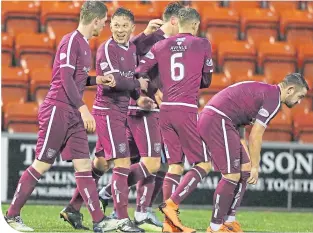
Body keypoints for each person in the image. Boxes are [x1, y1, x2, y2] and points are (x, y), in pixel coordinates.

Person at [5, 2, 121, 233]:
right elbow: (65, 78)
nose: (106, 25)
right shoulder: (71, 40)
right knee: (42, 164)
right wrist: (83, 108)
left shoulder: (85, 45)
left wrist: (95, 80)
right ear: (96, 20)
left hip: (72, 112)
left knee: (84, 167)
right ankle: (11, 216)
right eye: (105, 21)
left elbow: (76, 78)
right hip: (58, 109)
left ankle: (99, 220)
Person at [61, 7, 155, 233]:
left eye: (125, 26)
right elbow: (115, 81)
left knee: (101, 164)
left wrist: (139, 98)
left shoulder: (131, 48)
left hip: (120, 112)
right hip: (107, 111)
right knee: (122, 163)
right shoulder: (106, 49)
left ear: (131, 28)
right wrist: (137, 86)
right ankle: (122, 220)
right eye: (116, 25)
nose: (120, 30)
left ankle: (73, 207)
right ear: (110, 26)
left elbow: (129, 80)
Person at [97, 2, 184, 230]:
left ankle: (140, 210)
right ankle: (109, 195)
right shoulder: (154, 40)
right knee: (148, 163)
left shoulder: (169, 43)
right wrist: (143, 93)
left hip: (150, 107)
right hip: (139, 108)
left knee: (156, 164)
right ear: (175, 21)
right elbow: (126, 52)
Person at [198, 74, 309, 233]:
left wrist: (244, 151)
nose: (299, 102)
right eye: (300, 97)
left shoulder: (268, 92)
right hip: (218, 119)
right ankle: (215, 227)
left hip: (223, 120)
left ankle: (229, 221)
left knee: (244, 170)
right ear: (290, 90)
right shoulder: (274, 100)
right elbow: (256, 135)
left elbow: (240, 113)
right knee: (231, 175)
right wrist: (256, 166)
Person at [136, 7, 214, 233]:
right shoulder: (202, 44)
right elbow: (207, 80)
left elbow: (141, 70)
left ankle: (170, 226)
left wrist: (153, 90)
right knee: (203, 164)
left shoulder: (160, 45)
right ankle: (171, 205)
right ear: (196, 25)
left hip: (165, 110)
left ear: (178, 23)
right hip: (186, 108)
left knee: (175, 165)